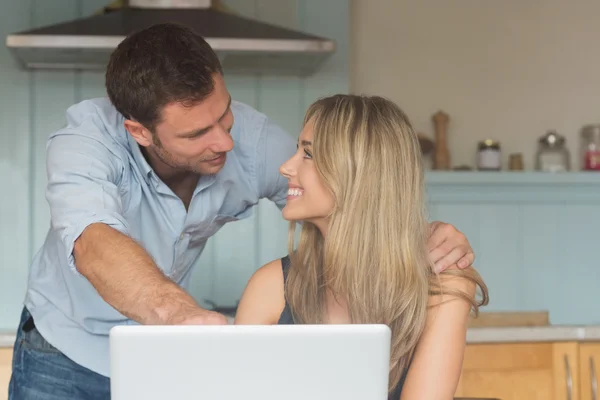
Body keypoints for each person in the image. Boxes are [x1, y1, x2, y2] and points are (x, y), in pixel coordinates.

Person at [8, 23, 477, 400]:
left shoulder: (253, 142)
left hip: (168, 353)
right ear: (140, 132)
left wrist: (424, 236)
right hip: (64, 354)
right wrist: (181, 316)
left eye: (225, 115)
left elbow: (355, 185)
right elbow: (94, 243)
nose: (226, 143)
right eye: (197, 134)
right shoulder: (86, 143)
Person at [234, 94, 489, 400]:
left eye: (309, 154)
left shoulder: (445, 285)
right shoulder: (270, 285)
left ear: (359, 174)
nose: (286, 167)